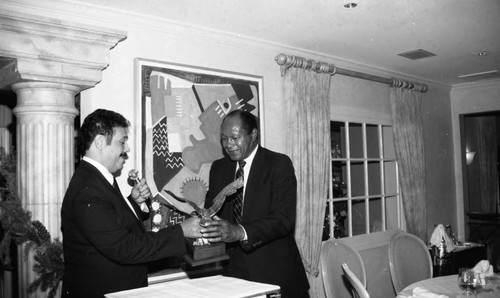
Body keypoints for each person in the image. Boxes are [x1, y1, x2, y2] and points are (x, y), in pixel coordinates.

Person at [61, 109, 214, 297]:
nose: (127, 149)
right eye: (122, 141)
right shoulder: (88, 190)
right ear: (100, 142)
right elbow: (124, 248)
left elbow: (109, 223)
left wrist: (134, 202)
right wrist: (181, 230)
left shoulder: (96, 179)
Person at [203, 110, 310, 298]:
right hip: (232, 275)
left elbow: (283, 220)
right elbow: (211, 211)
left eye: (235, 138)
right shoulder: (218, 168)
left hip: (274, 273)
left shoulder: (278, 164)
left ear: (253, 135)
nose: (228, 144)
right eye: (224, 139)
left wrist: (239, 232)